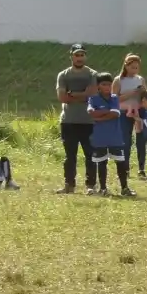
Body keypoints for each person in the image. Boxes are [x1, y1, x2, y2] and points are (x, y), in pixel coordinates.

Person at [55, 43, 98, 194]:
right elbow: (62, 97)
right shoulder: (63, 75)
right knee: (70, 156)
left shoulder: (93, 75)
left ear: (85, 56)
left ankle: (91, 185)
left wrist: (72, 94)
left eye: (82, 55)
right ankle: (69, 184)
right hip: (68, 121)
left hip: (89, 121)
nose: (79, 58)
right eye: (77, 55)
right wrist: (83, 95)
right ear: (71, 56)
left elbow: (93, 94)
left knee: (91, 155)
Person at [88, 73, 135, 197]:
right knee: (101, 162)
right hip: (100, 137)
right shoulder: (93, 99)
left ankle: (124, 188)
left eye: (109, 84)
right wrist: (105, 113)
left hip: (115, 137)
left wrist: (100, 117)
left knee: (121, 162)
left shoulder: (114, 98)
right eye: (104, 84)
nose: (107, 87)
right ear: (98, 86)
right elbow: (91, 112)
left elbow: (115, 113)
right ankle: (103, 188)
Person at [112, 53, 147, 177]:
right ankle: (124, 168)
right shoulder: (118, 80)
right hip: (124, 112)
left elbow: (146, 97)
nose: (135, 70)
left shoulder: (140, 79)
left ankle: (141, 168)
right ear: (126, 66)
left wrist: (143, 92)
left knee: (141, 139)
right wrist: (131, 93)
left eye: (137, 68)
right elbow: (114, 99)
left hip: (139, 111)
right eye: (132, 67)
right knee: (125, 141)